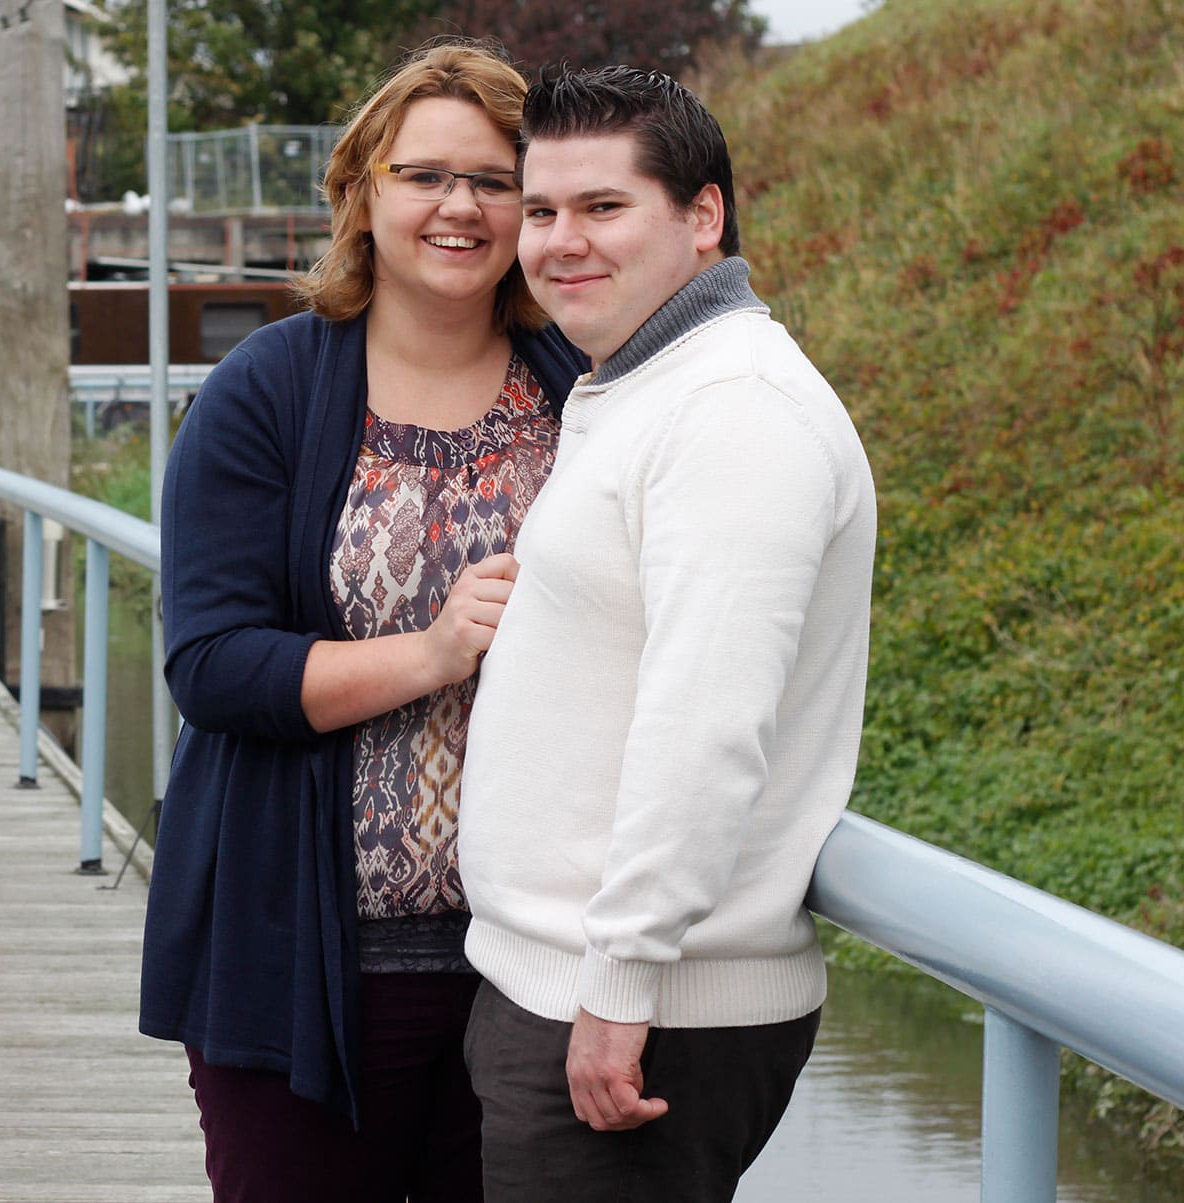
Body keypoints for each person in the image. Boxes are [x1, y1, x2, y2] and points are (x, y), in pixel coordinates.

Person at [138, 39, 587, 1203]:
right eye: (423, 174)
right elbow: (213, 665)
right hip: (301, 951)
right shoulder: (266, 390)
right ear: (362, 192)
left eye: (496, 182)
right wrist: (432, 653)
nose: (460, 207)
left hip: (525, 970)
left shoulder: (581, 394)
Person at [456, 65, 878, 1202]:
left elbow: (704, 720)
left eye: (603, 208)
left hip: (635, 1020)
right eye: (540, 211)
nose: (557, 243)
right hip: (560, 989)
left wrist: (620, 987)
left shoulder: (733, 411)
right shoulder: (642, 386)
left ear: (701, 217)